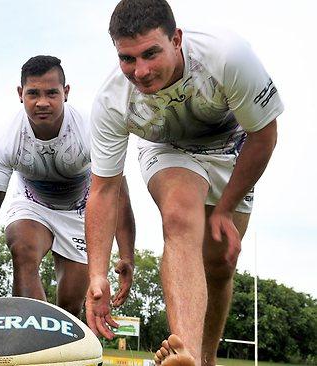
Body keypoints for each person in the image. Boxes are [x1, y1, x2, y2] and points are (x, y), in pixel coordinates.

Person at [85, 1, 282, 365]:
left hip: (232, 147)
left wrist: (225, 208)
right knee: (178, 216)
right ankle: (185, 353)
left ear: (176, 39)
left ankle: (205, 358)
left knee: (221, 264)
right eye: (128, 59)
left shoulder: (227, 56)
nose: (140, 71)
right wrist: (97, 273)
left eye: (150, 54)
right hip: (168, 147)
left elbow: (265, 135)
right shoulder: (112, 101)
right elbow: (104, 189)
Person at [0, 55, 136, 317]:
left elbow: (118, 194)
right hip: (32, 205)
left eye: (51, 93)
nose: (42, 102)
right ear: (20, 94)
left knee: (70, 306)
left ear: (66, 92)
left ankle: (62, 346)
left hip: (80, 212)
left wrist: (126, 255)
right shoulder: (4, 140)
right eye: (33, 93)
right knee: (22, 248)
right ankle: (31, 338)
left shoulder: (90, 130)